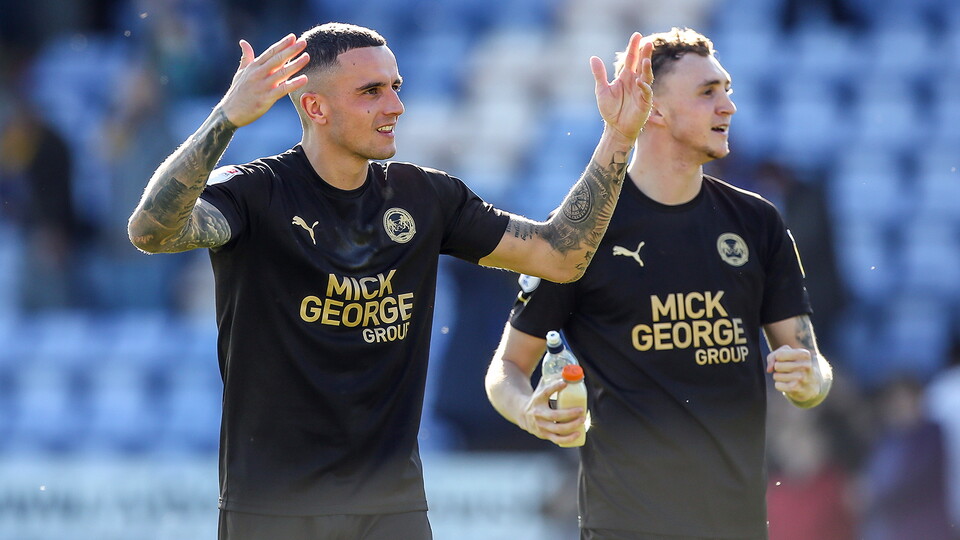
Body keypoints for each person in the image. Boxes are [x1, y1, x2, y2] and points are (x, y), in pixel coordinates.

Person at [127, 22, 654, 540]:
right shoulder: (255, 193)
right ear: (316, 107)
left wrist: (618, 136)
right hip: (274, 508)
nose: (395, 105)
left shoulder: (426, 197)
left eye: (396, 87)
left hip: (391, 506)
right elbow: (150, 231)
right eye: (371, 91)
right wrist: (225, 118)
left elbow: (560, 256)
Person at [484, 27, 833, 540]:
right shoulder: (586, 232)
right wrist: (529, 411)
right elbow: (506, 368)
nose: (729, 106)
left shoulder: (758, 223)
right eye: (707, 92)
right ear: (657, 110)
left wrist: (809, 384)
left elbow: (813, 369)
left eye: (727, 88)